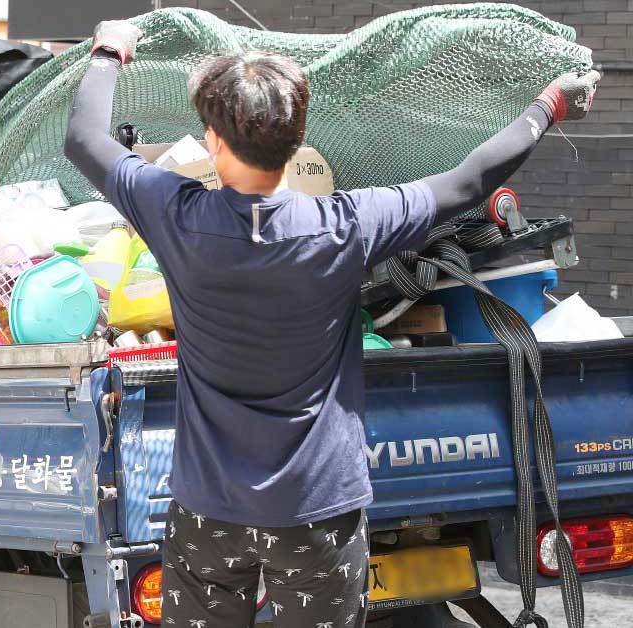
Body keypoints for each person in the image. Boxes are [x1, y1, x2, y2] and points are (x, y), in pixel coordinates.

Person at [64, 20, 599, 628]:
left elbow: (83, 138)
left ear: (212, 140)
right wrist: (547, 105)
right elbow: (469, 182)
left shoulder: (172, 212)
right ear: (297, 142)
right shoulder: (345, 226)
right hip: (317, 512)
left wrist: (108, 49)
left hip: (209, 512)